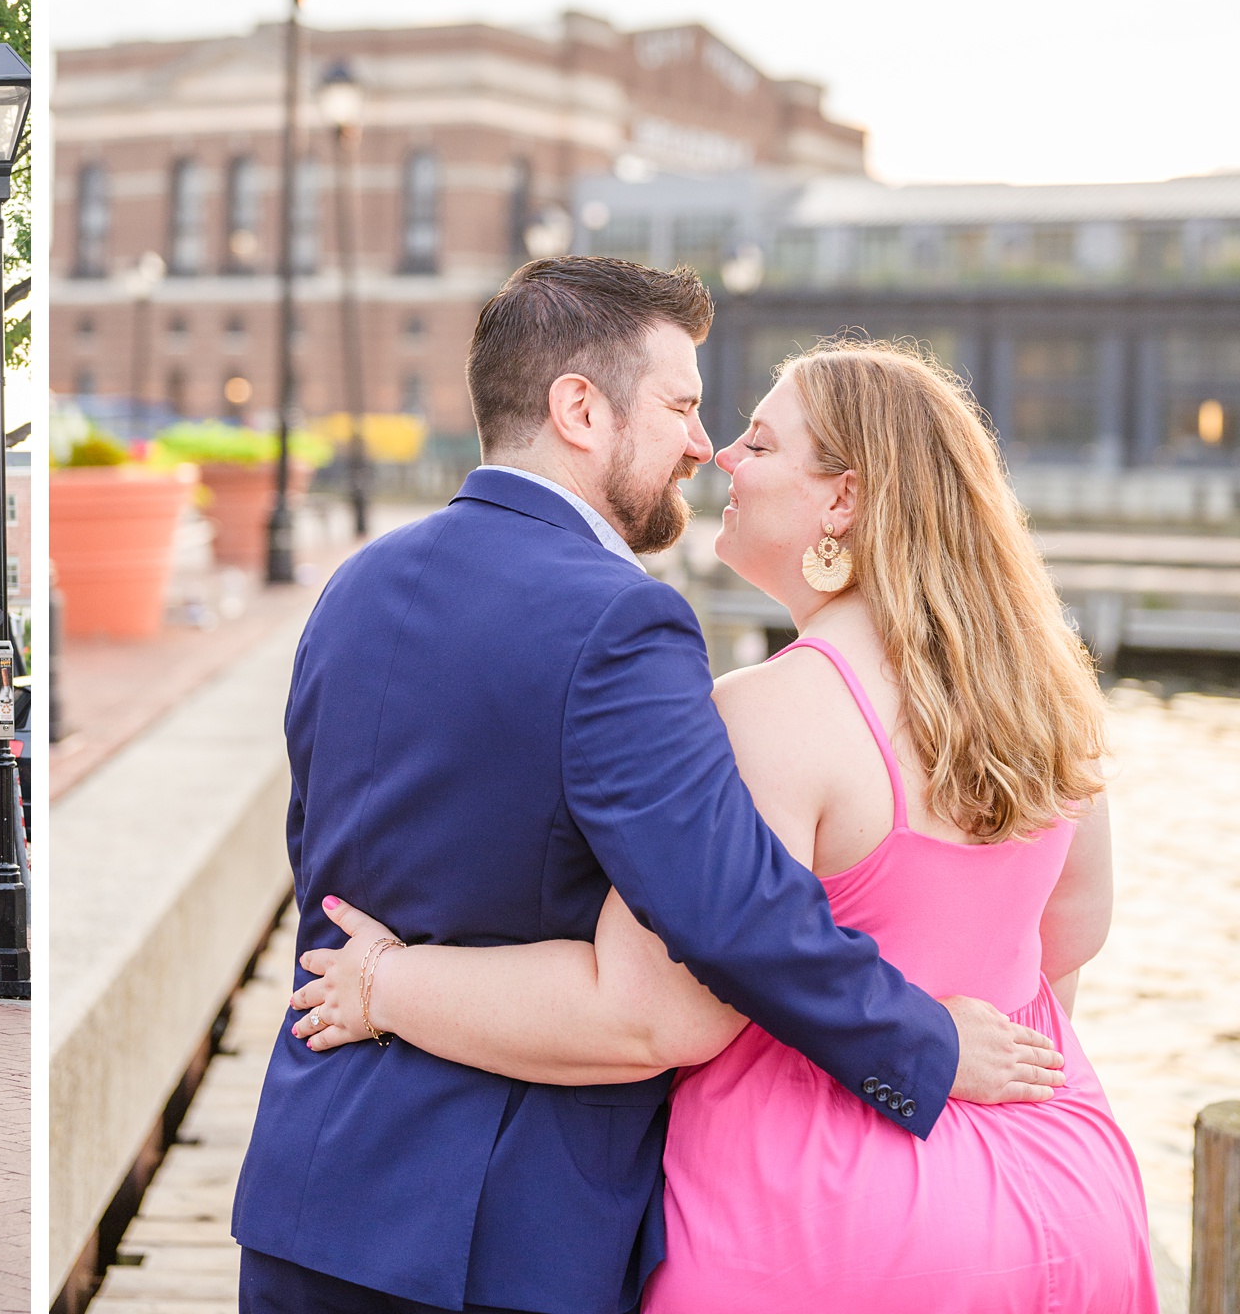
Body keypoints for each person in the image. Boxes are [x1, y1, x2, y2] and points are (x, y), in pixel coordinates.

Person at [230, 257, 1064, 1314]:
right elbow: (732, 910)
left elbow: (326, 856)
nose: (702, 445)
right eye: (681, 404)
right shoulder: (623, 620)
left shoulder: (354, 586)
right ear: (579, 408)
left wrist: (385, 983)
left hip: (312, 1191)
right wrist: (924, 1044)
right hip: (501, 1237)